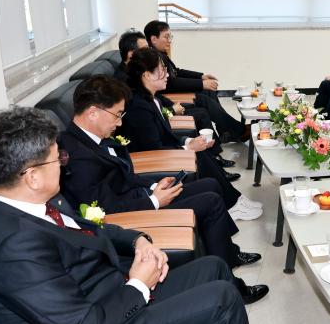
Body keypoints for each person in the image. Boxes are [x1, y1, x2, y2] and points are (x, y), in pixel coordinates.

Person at [0, 107, 287, 324]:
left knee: (214, 268)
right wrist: (139, 284)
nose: (65, 165)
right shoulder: (14, 246)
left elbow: (93, 228)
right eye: (59, 159)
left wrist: (137, 241)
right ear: (33, 176)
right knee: (221, 301)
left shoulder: (33, 201)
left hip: (109, 296)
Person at [61, 76, 266, 273]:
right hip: (131, 214)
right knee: (210, 202)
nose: (120, 123)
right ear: (93, 113)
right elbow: (104, 209)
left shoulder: (92, 137)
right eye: (117, 115)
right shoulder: (77, 157)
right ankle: (229, 271)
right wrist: (154, 201)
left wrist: (154, 185)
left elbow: (125, 175)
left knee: (210, 185)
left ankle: (229, 253)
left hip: (140, 195)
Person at [115, 30, 236, 170]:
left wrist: (188, 140)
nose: (149, 51)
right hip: (154, 157)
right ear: (132, 55)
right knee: (202, 110)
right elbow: (153, 146)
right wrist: (173, 111)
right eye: (144, 49)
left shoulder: (146, 89)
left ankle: (227, 138)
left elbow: (165, 88)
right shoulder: (131, 93)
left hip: (166, 116)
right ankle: (232, 136)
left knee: (206, 97)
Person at [143, 20, 249, 143]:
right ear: (154, 39)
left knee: (209, 92)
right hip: (167, 96)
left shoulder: (160, 54)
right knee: (204, 98)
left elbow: (177, 72)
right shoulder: (153, 59)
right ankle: (237, 130)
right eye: (166, 37)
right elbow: (171, 83)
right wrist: (201, 84)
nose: (169, 40)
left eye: (170, 37)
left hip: (172, 91)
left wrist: (201, 77)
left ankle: (226, 130)